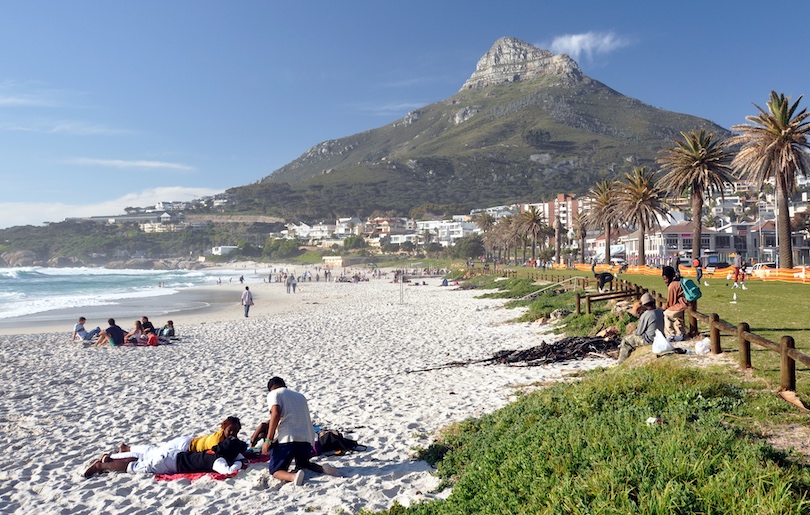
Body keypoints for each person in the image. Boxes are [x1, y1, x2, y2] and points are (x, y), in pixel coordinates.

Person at [257, 377, 340, 485]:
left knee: (275, 470)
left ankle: (293, 476)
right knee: (303, 463)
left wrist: (268, 440)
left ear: (271, 389)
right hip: (306, 439)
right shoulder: (300, 396)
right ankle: (324, 469)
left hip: (287, 440)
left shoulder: (274, 394)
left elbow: (276, 413)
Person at [83, 436, 246, 478]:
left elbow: (233, 454)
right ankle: (102, 466)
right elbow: (228, 471)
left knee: (144, 456)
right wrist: (240, 463)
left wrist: (237, 457)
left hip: (174, 453)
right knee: (135, 468)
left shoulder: (214, 451)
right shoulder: (218, 461)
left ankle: (113, 458)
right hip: (170, 463)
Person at [118, 417, 242, 456]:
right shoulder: (217, 440)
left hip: (189, 441)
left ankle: (128, 449)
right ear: (223, 427)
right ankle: (127, 449)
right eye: (230, 430)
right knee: (154, 452)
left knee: (155, 450)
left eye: (235, 431)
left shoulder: (226, 436)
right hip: (184, 446)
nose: (233, 434)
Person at [618, 293, 664, 363]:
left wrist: (633, 333)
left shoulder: (646, 314)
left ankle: (621, 362)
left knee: (626, 340)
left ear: (644, 304)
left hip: (649, 340)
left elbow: (639, 332)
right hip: (659, 338)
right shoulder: (659, 311)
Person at [661, 266, 688, 341]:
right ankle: (680, 333)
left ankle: (670, 334)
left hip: (682, 305)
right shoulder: (679, 280)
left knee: (666, 314)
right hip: (687, 303)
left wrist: (663, 308)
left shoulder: (672, 285)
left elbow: (671, 302)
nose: (665, 281)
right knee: (676, 316)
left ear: (669, 277)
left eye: (665, 279)